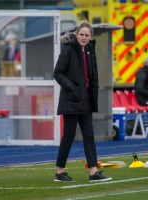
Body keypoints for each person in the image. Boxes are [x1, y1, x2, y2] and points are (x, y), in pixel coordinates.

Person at [53, 20, 112, 182]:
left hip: (85, 100)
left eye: (87, 35)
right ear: (76, 34)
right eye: (81, 34)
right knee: (68, 136)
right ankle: (59, 172)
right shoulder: (68, 49)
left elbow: (91, 76)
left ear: (90, 36)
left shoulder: (90, 49)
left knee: (89, 135)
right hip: (71, 100)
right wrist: (72, 88)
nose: (84, 37)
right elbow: (57, 73)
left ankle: (93, 172)